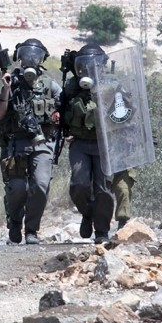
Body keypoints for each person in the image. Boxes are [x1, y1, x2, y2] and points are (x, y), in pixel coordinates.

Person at [0, 39, 61, 245]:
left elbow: (62, 104)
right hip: (16, 143)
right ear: (19, 58)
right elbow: (0, 114)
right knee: (18, 187)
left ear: (41, 59)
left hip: (42, 142)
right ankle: (14, 222)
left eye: (35, 56)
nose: (30, 60)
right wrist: (5, 89)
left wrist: (58, 114)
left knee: (40, 185)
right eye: (26, 56)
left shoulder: (48, 84)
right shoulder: (10, 80)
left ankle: (32, 229)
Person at [60, 43, 113, 244]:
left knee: (104, 191)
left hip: (104, 145)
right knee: (79, 184)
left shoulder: (112, 86)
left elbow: (125, 112)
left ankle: (102, 231)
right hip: (80, 143)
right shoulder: (72, 88)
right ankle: (87, 213)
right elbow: (61, 109)